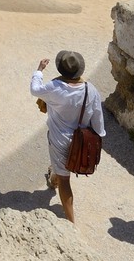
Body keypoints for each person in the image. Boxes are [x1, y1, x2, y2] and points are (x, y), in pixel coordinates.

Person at [30, 51, 105, 224]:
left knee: (65, 180)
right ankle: (53, 177)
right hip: (82, 141)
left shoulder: (55, 86)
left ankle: (71, 223)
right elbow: (98, 122)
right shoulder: (90, 90)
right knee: (60, 167)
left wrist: (39, 70)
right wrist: (97, 139)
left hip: (60, 140)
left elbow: (35, 89)